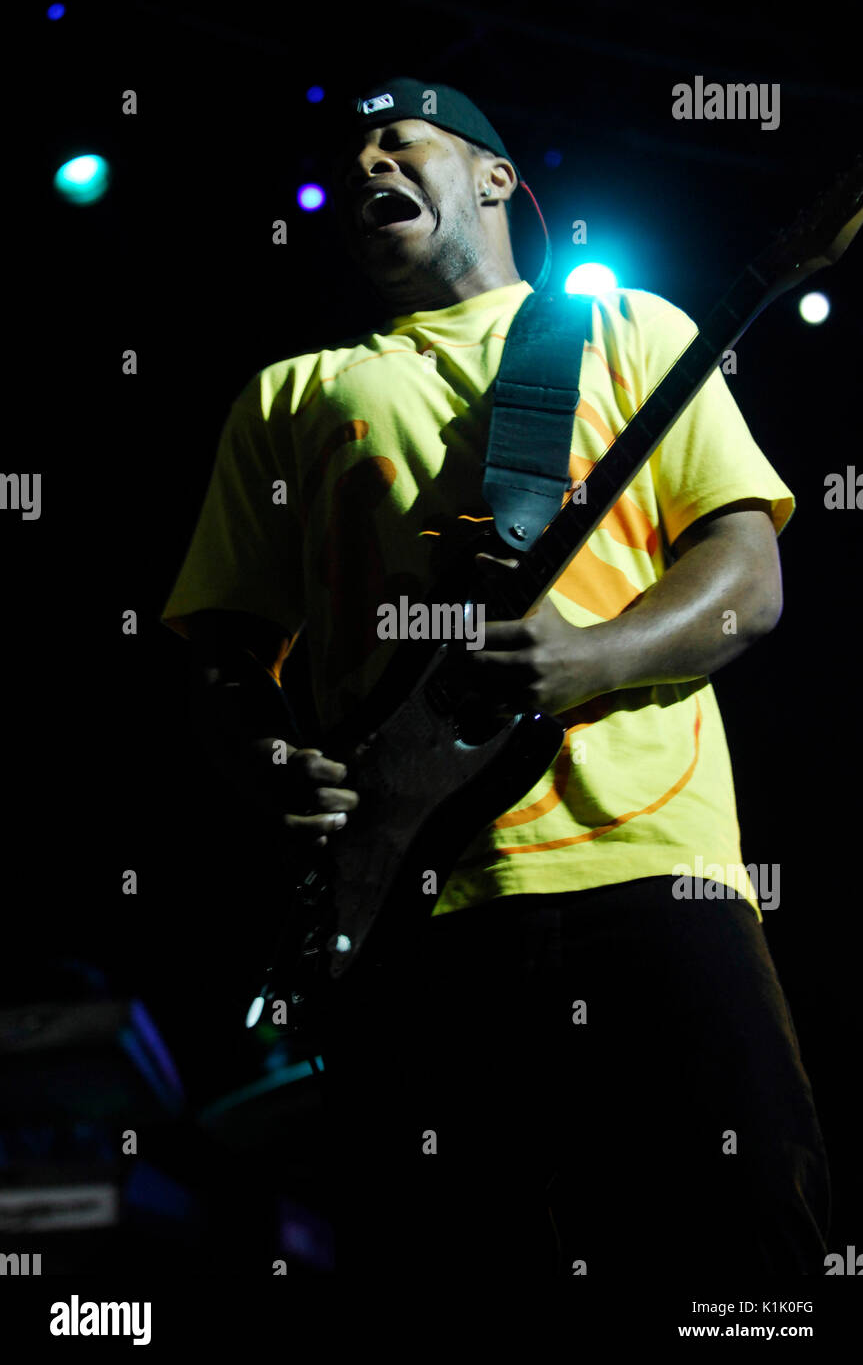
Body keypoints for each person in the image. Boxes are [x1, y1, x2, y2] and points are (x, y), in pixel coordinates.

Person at [161, 76, 830, 1282]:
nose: (367, 163)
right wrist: (267, 761)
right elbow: (221, 653)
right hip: (407, 909)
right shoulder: (290, 393)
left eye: (398, 140)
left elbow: (746, 572)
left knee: (743, 1250)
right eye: (352, 153)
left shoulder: (633, 328)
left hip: (646, 867)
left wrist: (595, 656)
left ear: (492, 177)